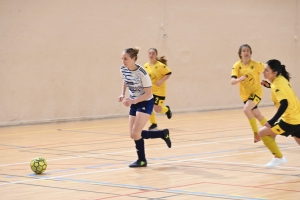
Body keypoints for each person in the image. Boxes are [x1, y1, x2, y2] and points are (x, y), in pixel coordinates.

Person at [118, 47, 171, 168]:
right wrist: (122, 93)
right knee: (133, 134)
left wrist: (133, 101)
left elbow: (148, 94)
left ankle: (142, 161)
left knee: (136, 134)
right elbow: (125, 80)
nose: (123, 61)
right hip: (134, 101)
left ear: (133, 58)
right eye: (122, 59)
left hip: (145, 102)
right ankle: (162, 134)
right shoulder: (123, 69)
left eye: (126, 59)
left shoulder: (142, 73)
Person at [259, 59, 300, 168]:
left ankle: (278, 158)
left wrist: (272, 121)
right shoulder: (281, 79)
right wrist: (268, 85)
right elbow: (280, 89)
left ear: (274, 73)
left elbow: (284, 104)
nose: (264, 72)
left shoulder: (277, 84)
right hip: (298, 117)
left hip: (290, 120)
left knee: (262, 133)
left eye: (266, 70)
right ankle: (277, 157)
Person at [231, 44, 268, 143]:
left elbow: (267, 69)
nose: (246, 52)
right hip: (245, 95)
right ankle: (271, 129)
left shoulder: (256, 65)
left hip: (256, 92)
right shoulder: (237, 66)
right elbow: (232, 81)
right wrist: (239, 79)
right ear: (240, 54)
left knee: (246, 110)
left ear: (250, 53)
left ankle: (257, 134)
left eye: (248, 51)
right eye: (244, 51)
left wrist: (269, 80)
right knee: (257, 115)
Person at [143, 48, 172, 130]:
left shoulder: (160, 66)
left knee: (157, 109)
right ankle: (154, 124)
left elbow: (169, 73)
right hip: (150, 90)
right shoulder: (145, 66)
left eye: (153, 53)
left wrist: (161, 81)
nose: (151, 55)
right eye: (150, 53)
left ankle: (166, 109)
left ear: (156, 55)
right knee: (148, 107)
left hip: (160, 91)